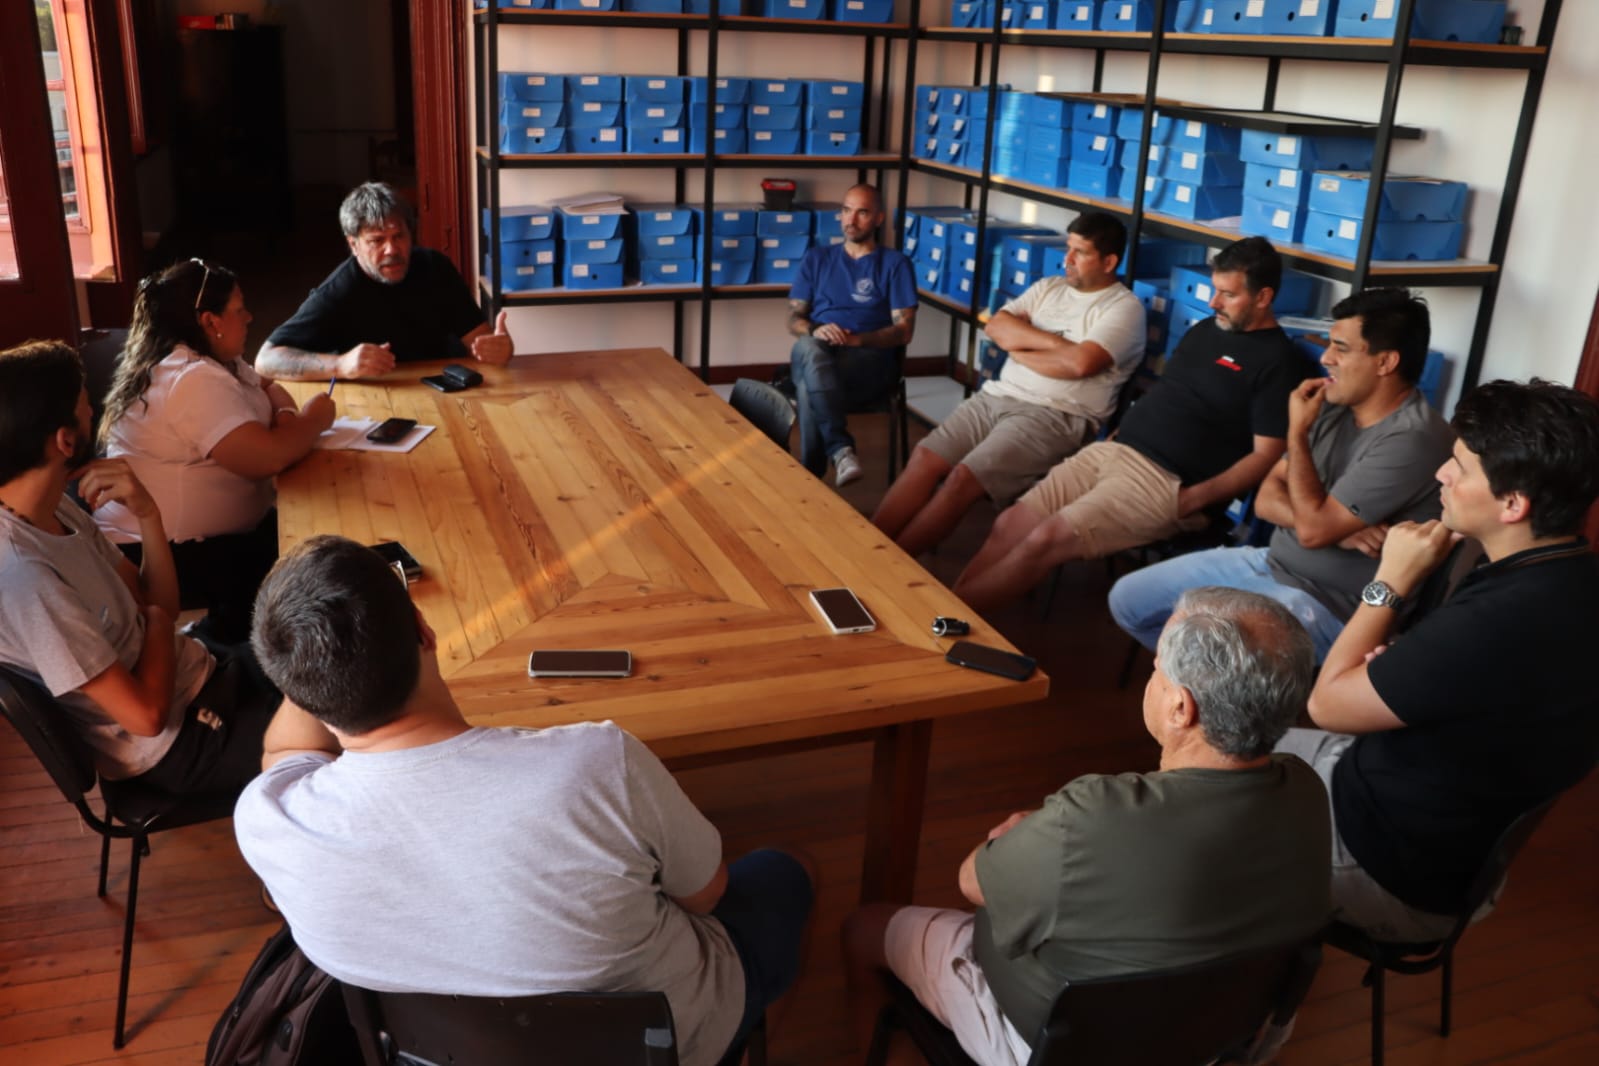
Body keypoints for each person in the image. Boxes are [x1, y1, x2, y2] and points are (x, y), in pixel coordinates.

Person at [234, 535, 814, 1066]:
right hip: (662, 1044)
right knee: (791, 870)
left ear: (296, 690)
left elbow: (285, 749)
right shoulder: (596, 764)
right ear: (425, 631)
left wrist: (314, 658)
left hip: (432, 1053)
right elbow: (707, 894)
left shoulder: (271, 818)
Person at [843, 587, 1331, 1064]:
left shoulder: (1092, 816)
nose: (1152, 678)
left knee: (864, 929)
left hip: (1054, 1047)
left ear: (1181, 708)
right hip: (1212, 1040)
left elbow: (971, 881)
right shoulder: (1306, 790)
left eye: (1157, 669)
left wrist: (1033, 837)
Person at [1281, 378, 1599, 942]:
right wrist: (1416, 667)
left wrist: (1390, 581)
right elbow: (1483, 687)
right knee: (1224, 741)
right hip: (1428, 824)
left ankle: (1260, 979)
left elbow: (1326, 704)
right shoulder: (1569, 574)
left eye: (1460, 467)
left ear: (1513, 504)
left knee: (1203, 792)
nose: (1441, 475)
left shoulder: (1499, 619)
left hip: (1383, 861)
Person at [950, 236, 1314, 613]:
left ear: (1263, 297)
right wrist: (1117, 437)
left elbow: (1265, 457)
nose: (1213, 303)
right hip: (1114, 452)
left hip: (1164, 482)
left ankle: (944, 624)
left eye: (1228, 295)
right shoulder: (1206, 330)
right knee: (1009, 524)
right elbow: (1170, 394)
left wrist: (1192, 500)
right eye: (1214, 290)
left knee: (1044, 540)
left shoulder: (1280, 363)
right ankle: (941, 614)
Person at [0, 340, 279, 799]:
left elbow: (161, 602)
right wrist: (157, 622)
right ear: (65, 440)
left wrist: (148, 513)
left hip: (198, 673)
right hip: (179, 744)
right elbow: (146, 717)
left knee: (326, 661)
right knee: (347, 727)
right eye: (87, 406)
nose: (94, 412)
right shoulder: (26, 579)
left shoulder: (52, 509)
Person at [1108, 288, 1454, 658]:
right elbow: (1267, 499)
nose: (1326, 358)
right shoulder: (1334, 404)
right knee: (1128, 600)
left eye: (1341, 348)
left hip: (1332, 604)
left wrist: (1297, 434)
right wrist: (1338, 532)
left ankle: (1215, 687)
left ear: (1385, 362)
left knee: (1207, 656)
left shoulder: (1412, 438)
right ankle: (1208, 685)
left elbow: (1311, 531)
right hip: (1271, 562)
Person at [871, 212, 1146, 557]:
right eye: (1068, 248)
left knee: (961, 479)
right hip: (997, 397)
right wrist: (1057, 346)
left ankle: (886, 566)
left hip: (1055, 416)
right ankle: (865, 548)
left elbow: (1080, 364)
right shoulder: (1048, 287)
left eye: (1080, 252)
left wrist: (1020, 347)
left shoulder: (1124, 309)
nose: (1067, 259)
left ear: (1109, 262)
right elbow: (996, 326)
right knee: (925, 458)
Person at [93, 259, 336, 645]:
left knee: (318, 534)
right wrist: (314, 420)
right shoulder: (191, 379)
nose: (250, 317)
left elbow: (269, 386)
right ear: (210, 321)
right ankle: (216, 643)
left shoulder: (215, 358)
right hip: (161, 553)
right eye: (239, 309)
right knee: (312, 568)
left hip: (205, 538)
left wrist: (288, 422)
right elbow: (268, 460)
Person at [257, 182, 514, 380]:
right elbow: (266, 361)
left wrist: (501, 349)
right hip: (375, 398)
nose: (392, 249)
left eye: (399, 236)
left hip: (440, 388)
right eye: (377, 240)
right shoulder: (339, 291)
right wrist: (340, 364)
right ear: (354, 245)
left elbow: (481, 342)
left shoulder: (435, 267)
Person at [786, 183, 917, 486]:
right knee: (810, 348)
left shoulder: (896, 264)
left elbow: (904, 332)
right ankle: (840, 449)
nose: (851, 220)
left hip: (867, 363)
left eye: (862, 213)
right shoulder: (817, 259)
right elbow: (793, 319)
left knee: (808, 386)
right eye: (846, 210)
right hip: (819, 351)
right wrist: (816, 329)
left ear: (879, 219)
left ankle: (812, 476)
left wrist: (858, 339)